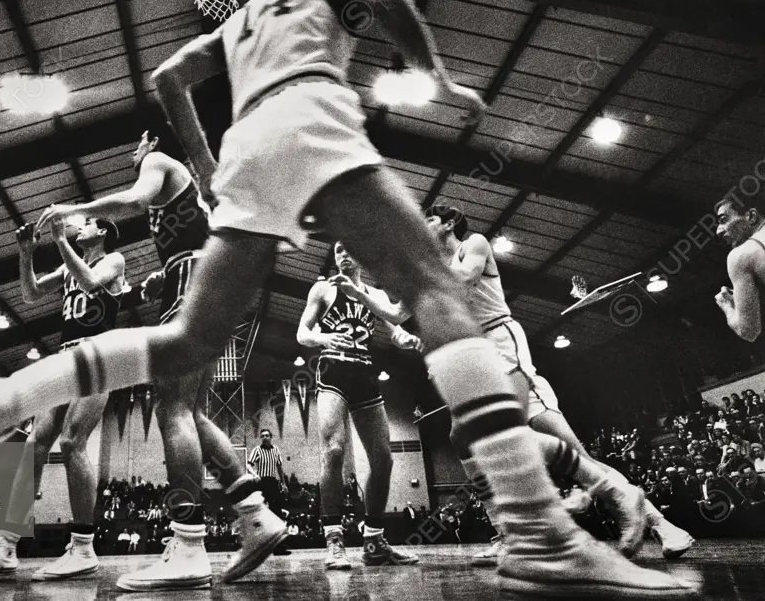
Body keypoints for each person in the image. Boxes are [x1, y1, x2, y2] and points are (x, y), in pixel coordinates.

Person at [0, 0, 692, 597]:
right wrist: (440, 77)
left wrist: (202, 161)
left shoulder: (238, 25)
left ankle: (2, 398)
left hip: (247, 155)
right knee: (436, 290)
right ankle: (539, 533)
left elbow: (168, 79)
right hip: (311, 122)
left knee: (189, 345)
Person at [33, 132, 285, 590]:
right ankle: (255, 513)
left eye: (135, 144)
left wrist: (73, 210)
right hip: (198, 278)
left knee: (172, 410)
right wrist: (159, 278)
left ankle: (189, 545)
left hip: (194, 279)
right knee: (191, 411)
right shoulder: (183, 188)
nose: (132, 151)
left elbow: (132, 201)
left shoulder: (160, 160)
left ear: (149, 140)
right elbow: (189, 237)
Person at [410, 205, 694, 562]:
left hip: (503, 348)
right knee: (463, 438)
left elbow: (464, 280)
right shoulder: (435, 270)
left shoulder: (474, 244)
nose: (421, 227)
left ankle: (659, 522)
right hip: (478, 358)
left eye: (429, 219)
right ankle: (509, 531)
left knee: (575, 453)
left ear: (450, 223)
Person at [0, 216, 128, 581]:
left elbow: (92, 283)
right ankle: (6, 546)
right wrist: (25, 252)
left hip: (98, 355)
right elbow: (30, 294)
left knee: (72, 441)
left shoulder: (115, 260)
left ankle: (83, 547)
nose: (79, 229)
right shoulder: (69, 266)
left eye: (87, 225)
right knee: (34, 446)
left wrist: (59, 242)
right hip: (66, 356)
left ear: (104, 233)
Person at [296, 241, 417, 569]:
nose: (343, 255)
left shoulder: (376, 296)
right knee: (334, 451)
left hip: (364, 373)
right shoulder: (323, 289)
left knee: (384, 460)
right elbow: (301, 334)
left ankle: (374, 540)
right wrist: (322, 338)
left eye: (350, 248)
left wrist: (405, 339)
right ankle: (334, 539)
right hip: (333, 370)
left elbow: (396, 329)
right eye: (337, 251)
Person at [715, 193, 765, 341]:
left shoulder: (741, 255)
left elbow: (749, 331)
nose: (719, 231)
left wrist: (727, 306)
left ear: (751, 216)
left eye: (724, 220)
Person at [246, 429, 291, 555]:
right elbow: (248, 465)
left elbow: (279, 467)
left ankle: (278, 547)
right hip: (261, 482)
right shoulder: (257, 450)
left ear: (271, 437)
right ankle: (256, 547)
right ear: (261, 438)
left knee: (276, 513)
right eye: (263, 436)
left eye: (267, 435)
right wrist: (255, 474)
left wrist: (283, 483)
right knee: (260, 512)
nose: (265, 437)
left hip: (272, 482)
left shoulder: (276, 450)